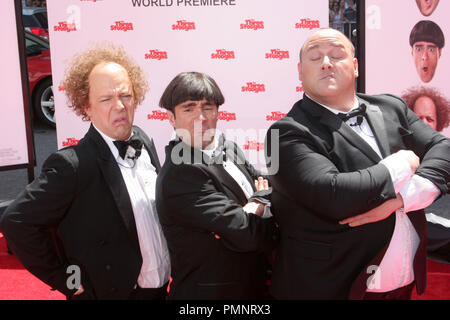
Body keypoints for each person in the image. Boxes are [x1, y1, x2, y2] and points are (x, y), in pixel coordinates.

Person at [265, 28, 450, 300]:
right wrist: (400, 164)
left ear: (354, 67)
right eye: (315, 58)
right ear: (300, 72)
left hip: (403, 285)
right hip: (333, 289)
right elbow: (332, 193)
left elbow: (443, 148)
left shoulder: (391, 107)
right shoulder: (286, 133)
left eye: (336, 55)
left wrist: (402, 198)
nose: (326, 62)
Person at [0, 44, 170, 300]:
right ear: (86, 107)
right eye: (106, 99)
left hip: (161, 290)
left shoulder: (143, 140)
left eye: (125, 95)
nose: (120, 106)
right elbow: (16, 221)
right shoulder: (73, 165)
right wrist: (68, 280)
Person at [155, 72, 278, 300]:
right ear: (171, 118)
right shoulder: (182, 174)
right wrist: (263, 209)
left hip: (253, 288)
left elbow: (270, 185)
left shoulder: (227, 147)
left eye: (208, 108)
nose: (200, 117)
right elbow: (250, 236)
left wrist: (257, 202)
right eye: (189, 109)